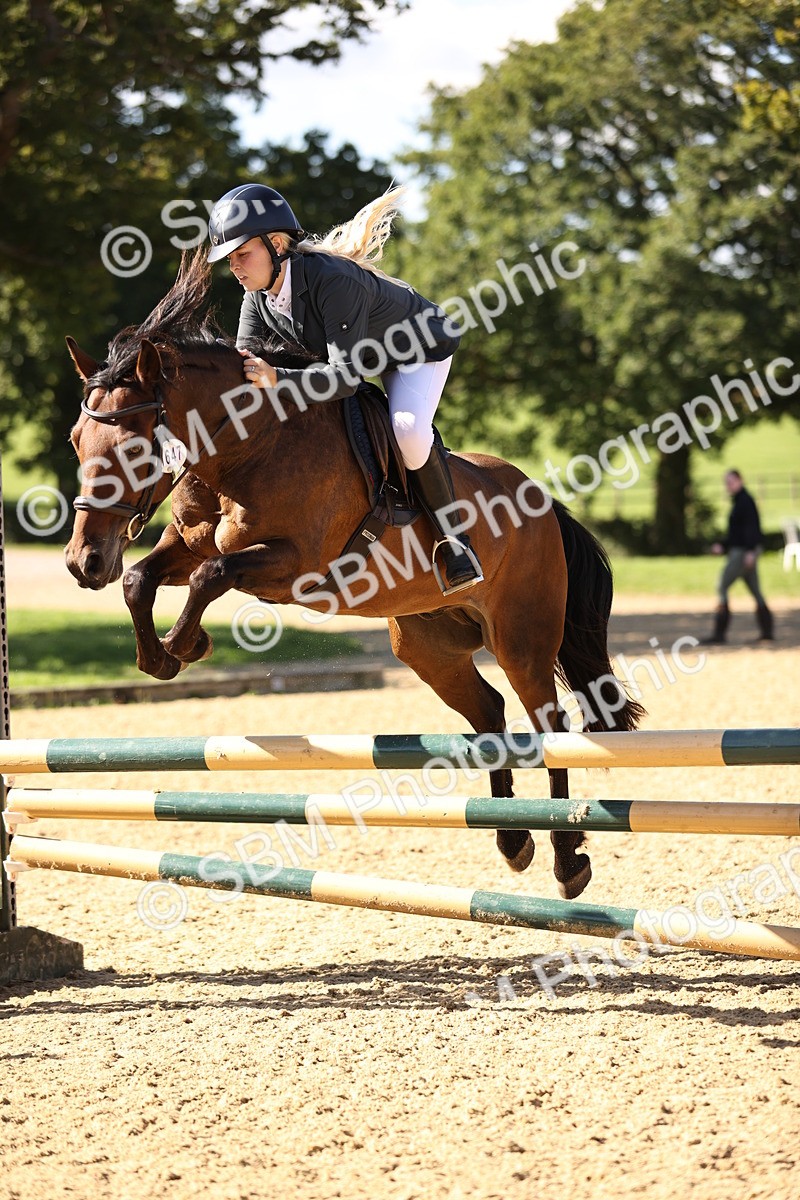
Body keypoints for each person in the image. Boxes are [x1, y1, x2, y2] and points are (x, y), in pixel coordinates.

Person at [206, 182, 483, 595]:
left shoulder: (332, 281)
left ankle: (456, 542)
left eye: (243, 254)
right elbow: (242, 371)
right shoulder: (257, 298)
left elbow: (345, 379)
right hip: (364, 358)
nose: (237, 268)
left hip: (418, 351)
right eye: (230, 260)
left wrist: (277, 378)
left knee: (406, 430)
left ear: (277, 243)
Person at [701, 469, 774, 644]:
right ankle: (767, 631)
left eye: (731, 482)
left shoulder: (745, 502)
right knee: (756, 592)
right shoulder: (740, 501)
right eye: (726, 483)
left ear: (740, 480)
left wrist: (750, 551)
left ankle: (720, 632)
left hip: (742, 553)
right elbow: (737, 533)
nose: (728, 486)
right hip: (743, 551)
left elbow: (752, 529)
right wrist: (724, 544)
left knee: (722, 585)